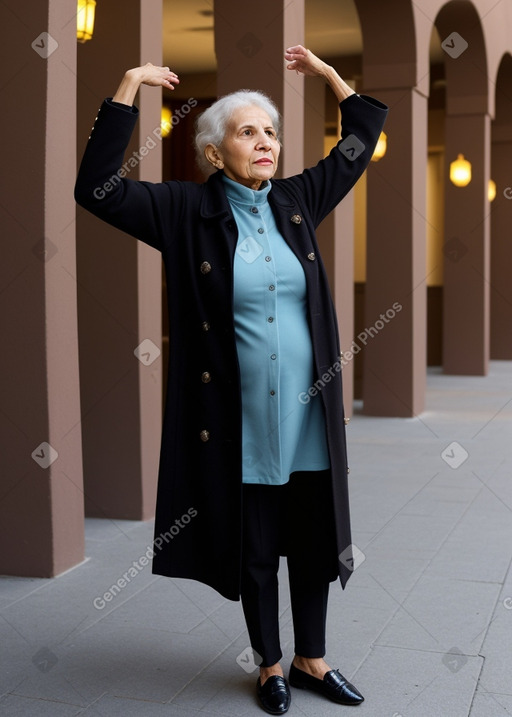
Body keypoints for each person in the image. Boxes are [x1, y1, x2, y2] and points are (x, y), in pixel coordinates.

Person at [75, 44, 388, 715]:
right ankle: (270, 665)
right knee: (254, 547)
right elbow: (96, 189)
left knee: (311, 541)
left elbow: (359, 140)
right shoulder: (186, 212)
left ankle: (314, 658)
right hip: (239, 421)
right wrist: (127, 88)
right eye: (248, 131)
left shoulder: (299, 199)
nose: (266, 141)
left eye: (271, 130)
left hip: (307, 414)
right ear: (215, 152)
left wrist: (333, 79)